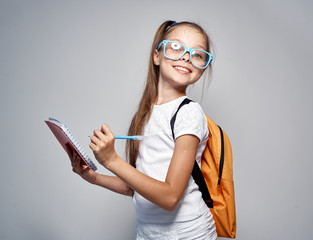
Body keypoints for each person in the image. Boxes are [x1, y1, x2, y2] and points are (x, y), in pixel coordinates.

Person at [70, 20, 217, 239]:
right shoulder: (147, 113)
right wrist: (94, 177)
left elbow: (169, 197)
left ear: (203, 68)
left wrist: (112, 160)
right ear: (156, 56)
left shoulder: (189, 113)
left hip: (187, 234)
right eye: (176, 47)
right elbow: (139, 187)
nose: (186, 56)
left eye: (197, 54)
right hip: (148, 232)